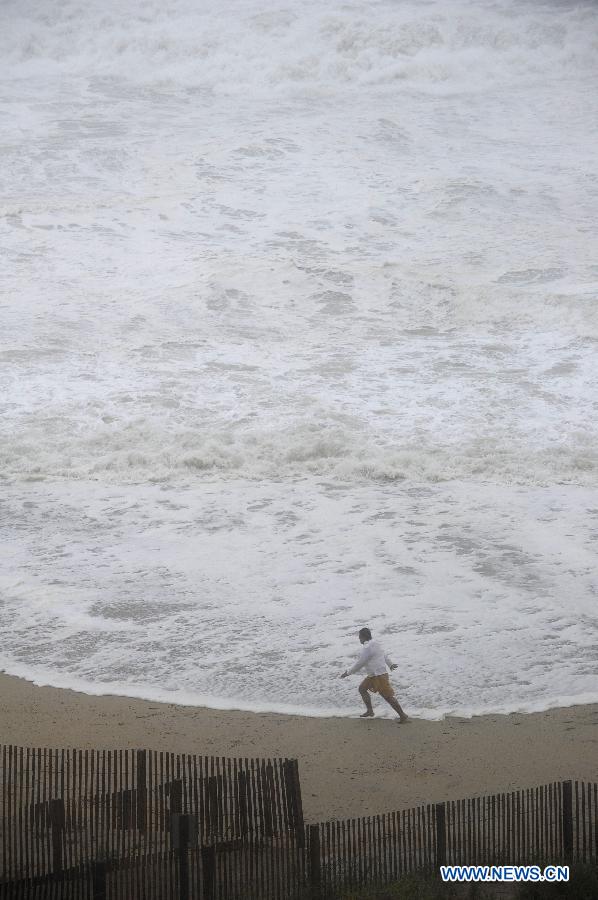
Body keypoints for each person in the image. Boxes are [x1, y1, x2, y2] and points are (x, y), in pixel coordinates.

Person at [341, 627, 408, 721]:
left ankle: (402, 715)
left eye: (359, 637)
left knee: (388, 697)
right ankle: (370, 711)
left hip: (378, 676)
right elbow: (384, 655)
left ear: (363, 637)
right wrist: (390, 664)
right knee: (362, 689)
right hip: (373, 675)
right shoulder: (376, 643)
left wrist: (347, 673)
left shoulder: (367, 647)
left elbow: (360, 663)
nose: (359, 639)